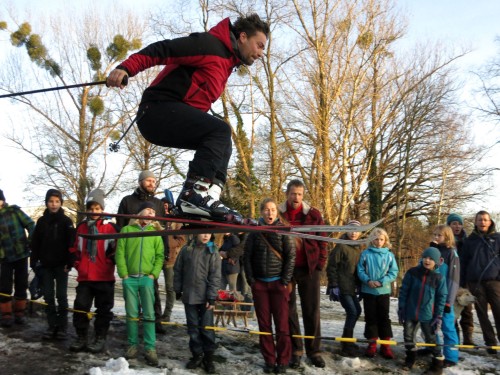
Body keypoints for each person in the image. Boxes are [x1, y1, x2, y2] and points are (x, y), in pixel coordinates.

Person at [106, 14, 270, 220]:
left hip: (169, 115)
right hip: (156, 110)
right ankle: (193, 195)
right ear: (243, 37)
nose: (261, 53)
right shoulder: (209, 45)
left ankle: (209, 198)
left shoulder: (226, 63)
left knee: (223, 142)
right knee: (220, 131)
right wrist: (126, 68)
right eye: (260, 45)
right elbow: (163, 50)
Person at [278, 179, 328, 368]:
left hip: (309, 268)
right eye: (293, 193)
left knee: (311, 309)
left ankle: (314, 350)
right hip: (287, 269)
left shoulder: (313, 214)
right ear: (287, 194)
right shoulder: (279, 213)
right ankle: (296, 350)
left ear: (303, 195)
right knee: (289, 310)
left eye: (299, 194)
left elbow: (323, 240)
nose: (296, 197)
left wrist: (319, 264)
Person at [244, 198, 295, 374]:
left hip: (278, 285)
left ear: (277, 212)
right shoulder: (254, 232)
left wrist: (284, 281)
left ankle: (283, 360)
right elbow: (247, 257)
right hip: (260, 286)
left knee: (282, 325)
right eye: (266, 209)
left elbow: (290, 257)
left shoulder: (284, 231)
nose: (270, 213)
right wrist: (251, 280)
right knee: (264, 326)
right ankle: (269, 360)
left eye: (273, 209)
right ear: (261, 212)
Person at [68, 189, 119, 353]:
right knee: (80, 307)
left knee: (103, 310)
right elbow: (75, 248)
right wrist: (77, 263)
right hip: (85, 277)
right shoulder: (81, 227)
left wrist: (110, 260)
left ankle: (99, 337)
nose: (94, 212)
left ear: (102, 209)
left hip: (104, 276)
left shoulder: (110, 227)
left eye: (97, 208)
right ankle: (81, 336)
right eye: (91, 208)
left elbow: (115, 249)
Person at [116, 170, 167, 334]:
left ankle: (155, 321)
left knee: (153, 289)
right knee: (132, 294)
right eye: (148, 181)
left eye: (154, 181)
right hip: (132, 253)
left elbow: (162, 229)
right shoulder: (127, 201)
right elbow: (120, 226)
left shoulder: (158, 204)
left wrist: (164, 251)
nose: (152, 183)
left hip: (150, 254)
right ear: (140, 182)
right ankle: (134, 322)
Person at [116, 201, 164, 366]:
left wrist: (154, 274)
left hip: (146, 278)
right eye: (148, 210)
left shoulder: (155, 233)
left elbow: (160, 256)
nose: (151, 213)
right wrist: (124, 274)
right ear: (139, 212)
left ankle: (150, 348)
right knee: (132, 313)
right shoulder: (127, 230)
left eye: (153, 211)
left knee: (149, 314)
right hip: (130, 278)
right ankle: (132, 345)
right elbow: (120, 252)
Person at [30, 189, 75, 340]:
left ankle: (62, 326)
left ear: (61, 203)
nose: (54, 204)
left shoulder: (66, 221)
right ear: (46, 203)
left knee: (61, 296)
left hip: (62, 265)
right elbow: (35, 242)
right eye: (51, 201)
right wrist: (34, 260)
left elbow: (71, 243)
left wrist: (70, 261)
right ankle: (51, 325)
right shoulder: (42, 221)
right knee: (48, 295)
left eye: (57, 201)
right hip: (46, 265)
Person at [174, 233, 221, 374]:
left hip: (205, 298)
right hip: (189, 296)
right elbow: (178, 269)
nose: (206, 235)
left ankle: (209, 357)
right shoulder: (186, 249)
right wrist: (178, 288)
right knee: (193, 328)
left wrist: (212, 297)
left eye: (208, 233)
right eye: (203, 232)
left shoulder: (213, 251)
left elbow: (215, 275)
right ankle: (197, 354)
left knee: (207, 328)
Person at [398, 247, 447, 374]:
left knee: (431, 338)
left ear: (436, 261)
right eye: (425, 257)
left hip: (428, 315)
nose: (427, 260)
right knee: (408, 336)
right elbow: (404, 291)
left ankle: (437, 364)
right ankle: (410, 359)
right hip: (410, 312)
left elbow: (441, 297)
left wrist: (438, 315)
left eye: (431, 259)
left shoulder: (439, 278)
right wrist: (402, 308)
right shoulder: (412, 272)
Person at [460, 210, 500, 355]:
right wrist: (463, 283)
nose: (482, 222)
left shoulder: (498, 238)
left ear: (490, 222)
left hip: (495, 282)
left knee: (498, 311)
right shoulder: (469, 241)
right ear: (475, 222)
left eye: (485, 220)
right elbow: (463, 263)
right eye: (480, 220)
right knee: (482, 314)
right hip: (475, 283)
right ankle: (491, 344)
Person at [357, 227, 399, 359]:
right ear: (372, 240)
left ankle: (386, 345)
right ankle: (372, 344)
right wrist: (368, 280)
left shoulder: (389, 255)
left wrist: (382, 281)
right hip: (368, 290)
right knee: (370, 317)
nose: (379, 242)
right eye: (376, 239)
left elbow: (393, 272)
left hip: (383, 291)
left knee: (384, 317)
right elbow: (360, 270)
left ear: (385, 240)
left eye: (381, 239)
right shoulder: (365, 254)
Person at [326, 220, 363, 357]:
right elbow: (331, 266)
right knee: (353, 312)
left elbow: (358, 269)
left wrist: (359, 285)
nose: (354, 233)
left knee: (357, 311)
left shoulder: (358, 247)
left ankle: (346, 339)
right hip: (341, 286)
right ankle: (346, 345)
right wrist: (334, 285)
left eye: (357, 230)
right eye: (351, 229)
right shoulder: (341, 247)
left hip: (351, 286)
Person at [0, 189, 35, 327]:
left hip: (21, 254)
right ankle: (6, 315)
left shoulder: (14, 211)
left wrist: (31, 241)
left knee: (21, 284)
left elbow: (31, 224)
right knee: (4, 286)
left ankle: (20, 313)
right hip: (4, 257)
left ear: (3, 199)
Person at [430, 225, 460, 367]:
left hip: (445, 297)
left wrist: (449, 301)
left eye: (439, 235)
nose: (435, 237)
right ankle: (433, 349)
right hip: (430, 296)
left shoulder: (451, 253)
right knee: (430, 325)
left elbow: (454, 279)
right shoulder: (432, 250)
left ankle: (452, 357)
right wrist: (430, 251)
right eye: (434, 235)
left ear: (447, 237)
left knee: (448, 327)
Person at [447, 213, 474, 345]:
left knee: (467, 311)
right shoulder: (446, 242)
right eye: (454, 223)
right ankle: (455, 339)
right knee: (452, 312)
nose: (457, 226)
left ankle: (468, 339)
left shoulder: (467, 241)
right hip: (451, 280)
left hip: (465, 280)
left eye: (459, 223)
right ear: (449, 226)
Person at [160, 196, 186, 322]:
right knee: (151, 286)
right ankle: (155, 311)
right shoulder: (157, 219)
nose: (165, 207)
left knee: (170, 287)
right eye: (162, 204)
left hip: (170, 258)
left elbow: (181, 239)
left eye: (167, 205)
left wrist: (169, 242)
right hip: (155, 257)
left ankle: (167, 313)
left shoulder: (176, 221)